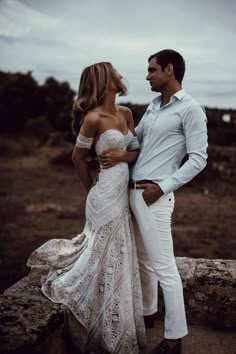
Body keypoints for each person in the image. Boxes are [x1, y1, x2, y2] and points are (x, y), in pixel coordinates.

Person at [27, 62, 146, 354]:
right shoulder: (93, 118)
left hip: (123, 192)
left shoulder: (126, 113)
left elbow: (136, 151)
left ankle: (116, 319)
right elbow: (78, 157)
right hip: (104, 194)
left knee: (118, 254)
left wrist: (122, 155)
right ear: (106, 80)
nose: (121, 75)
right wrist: (92, 185)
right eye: (116, 72)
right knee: (103, 251)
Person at [100, 49, 208, 354]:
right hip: (132, 193)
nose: (147, 76)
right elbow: (138, 143)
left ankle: (174, 338)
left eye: (152, 70)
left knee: (164, 267)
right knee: (143, 261)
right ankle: (148, 313)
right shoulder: (154, 106)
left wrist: (163, 186)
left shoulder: (190, 108)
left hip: (155, 196)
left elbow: (198, 158)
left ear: (169, 70)